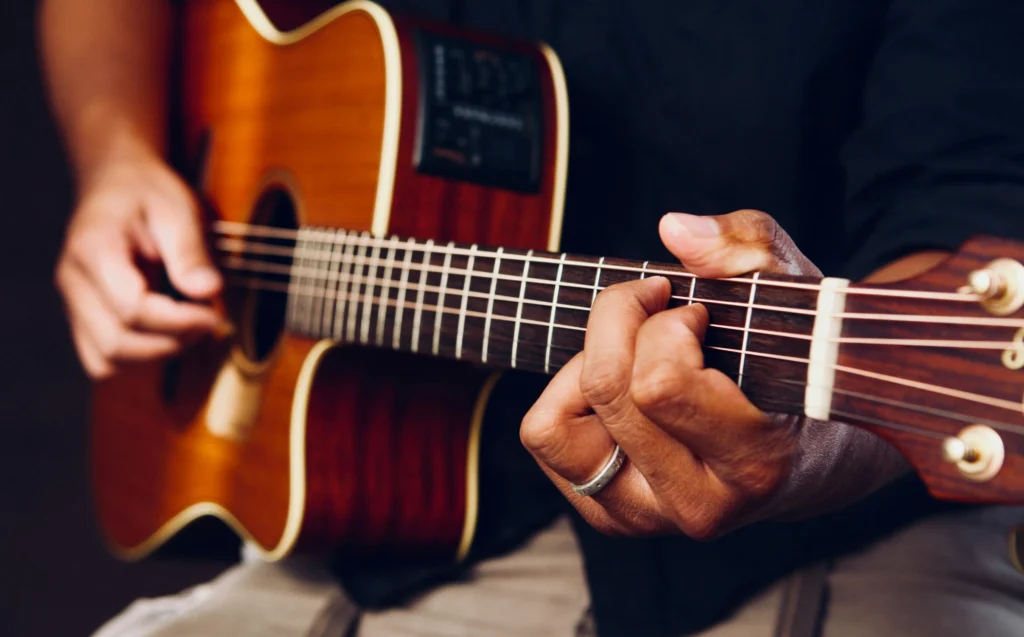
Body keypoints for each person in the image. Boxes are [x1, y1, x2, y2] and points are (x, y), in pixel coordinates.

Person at [41, 0, 1024, 635]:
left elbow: (975, 232)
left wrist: (811, 449)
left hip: (828, 537)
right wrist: (116, 156)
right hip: (366, 527)